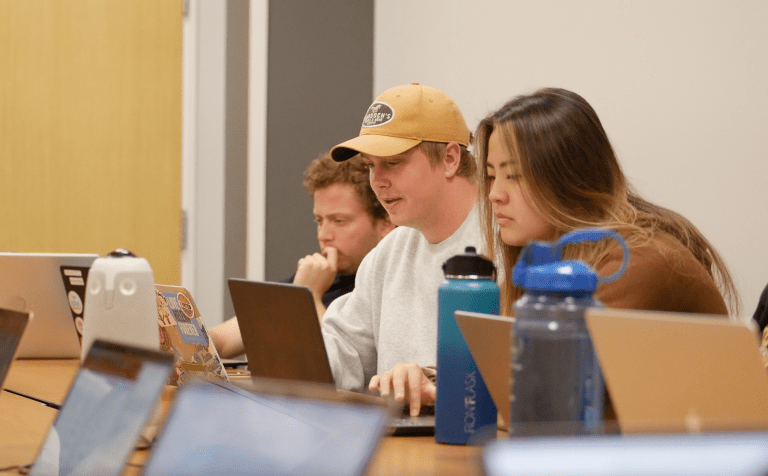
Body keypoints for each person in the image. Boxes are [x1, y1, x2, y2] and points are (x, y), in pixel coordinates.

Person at [477, 87, 740, 317]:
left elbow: (555, 367)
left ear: (570, 179)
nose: (494, 194)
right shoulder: (545, 256)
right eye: (491, 176)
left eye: (513, 175)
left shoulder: (634, 261)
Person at [322, 83, 481, 416]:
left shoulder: (505, 244)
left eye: (392, 163)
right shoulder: (390, 250)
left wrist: (431, 381)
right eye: (370, 166)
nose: (377, 181)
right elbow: (344, 349)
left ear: (450, 159)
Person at [210, 153, 394, 358]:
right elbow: (223, 341)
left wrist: (311, 297)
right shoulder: (317, 277)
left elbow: (346, 363)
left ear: (386, 222)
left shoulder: (388, 288)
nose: (324, 235)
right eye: (319, 220)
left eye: (339, 221)